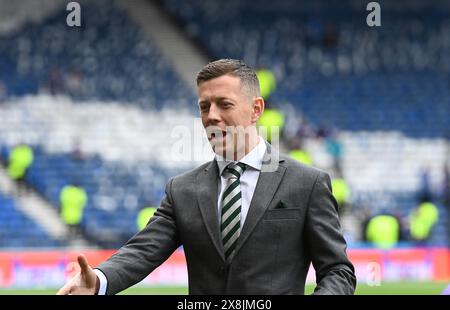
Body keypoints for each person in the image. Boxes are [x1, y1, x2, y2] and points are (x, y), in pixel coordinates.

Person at [57, 59, 355, 295]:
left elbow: (338, 271)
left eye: (224, 104)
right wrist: (98, 281)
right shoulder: (183, 189)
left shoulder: (306, 183)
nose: (211, 115)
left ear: (256, 110)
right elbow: (142, 251)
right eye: (204, 106)